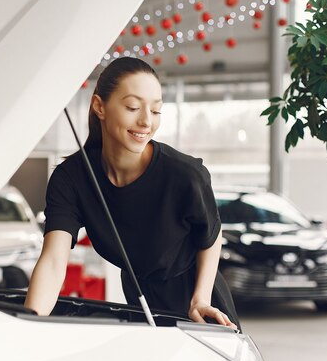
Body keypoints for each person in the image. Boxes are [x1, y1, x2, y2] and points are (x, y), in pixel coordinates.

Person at [24, 57, 240, 330]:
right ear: (99, 106)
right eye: (133, 107)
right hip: (140, 305)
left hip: (199, 308)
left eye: (156, 111)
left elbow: (211, 234)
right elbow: (54, 261)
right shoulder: (72, 179)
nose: (146, 121)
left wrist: (201, 297)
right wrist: (29, 324)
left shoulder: (185, 175)